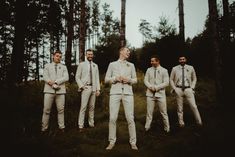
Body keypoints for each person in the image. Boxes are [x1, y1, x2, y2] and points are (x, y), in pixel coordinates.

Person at [105, 47, 138, 150]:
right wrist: (115, 78)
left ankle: (133, 142)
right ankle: (111, 141)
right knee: (113, 118)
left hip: (128, 93)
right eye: (127, 51)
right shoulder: (112, 64)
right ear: (121, 52)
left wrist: (129, 80)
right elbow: (106, 79)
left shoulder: (131, 65)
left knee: (130, 118)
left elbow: (135, 80)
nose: (129, 52)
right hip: (115, 93)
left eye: (129, 51)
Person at [170, 55, 202, 128]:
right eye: (180, 59)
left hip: (188, 89)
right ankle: (181, 123)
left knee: (194, 106)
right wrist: (174, 88)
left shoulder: (191, 68)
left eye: (183, 59)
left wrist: (192, 88)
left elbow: (194, 78)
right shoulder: (174, 68)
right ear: (179, 61)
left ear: (185, 60)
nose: (182, 60)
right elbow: (171, 79)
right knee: (180, 108)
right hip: (178, 89)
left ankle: (199, 122)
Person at [41, 50, 69, 133]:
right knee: (46, 110)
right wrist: (51, 83)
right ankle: (44, 128)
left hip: (61, 92)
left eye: (60, 56)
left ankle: (61, 128)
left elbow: (66, 77)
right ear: (53, 56)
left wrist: (57, 82)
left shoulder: (64, 67)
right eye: (57, 56)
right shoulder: (47, 66)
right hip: (49, 91)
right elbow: (45, 77)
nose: (59, 58)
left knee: (61, 110)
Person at [75, 49, 100, 132]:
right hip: (85, 88)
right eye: (88, 54)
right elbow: (77, 77)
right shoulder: (81, 65)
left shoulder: (95, 65)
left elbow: (97, 78)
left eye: (91, 54)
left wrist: (98, 89)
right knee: (83, 107)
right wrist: (81, 86)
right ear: (86, 55)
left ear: (93, 55)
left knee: (92, 107)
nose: (90, 56)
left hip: (93, 88)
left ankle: (91, 124)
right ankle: (80, 126)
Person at [144, 55, 170, 133]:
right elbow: (145, 80)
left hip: (160, 94)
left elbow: (166, 82)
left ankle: (167, 128)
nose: (151, 62)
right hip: (150, 94)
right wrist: (150, 86)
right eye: (151, 61)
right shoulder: (148, 70)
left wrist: (157, 87)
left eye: (152, 61)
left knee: (164, 112)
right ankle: (147, 127)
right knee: (149, 112)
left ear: (157, 61)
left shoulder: (164, 70)